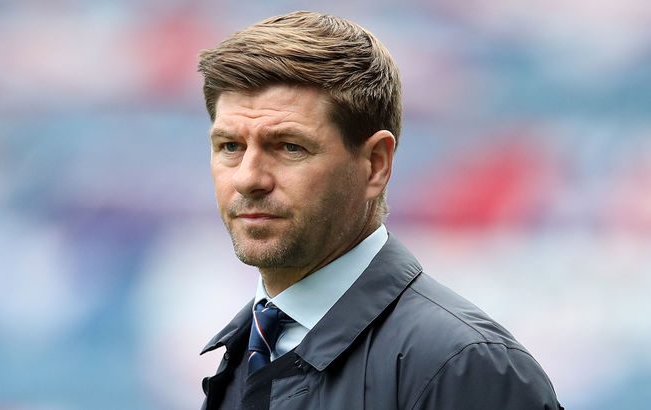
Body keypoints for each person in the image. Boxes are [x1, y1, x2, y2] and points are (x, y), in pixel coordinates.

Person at [197, 10, 563, 410]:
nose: (248, 178)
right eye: (230, 146)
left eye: (289, 147)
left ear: (375, 164)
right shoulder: (247, 352)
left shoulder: (464, 368)